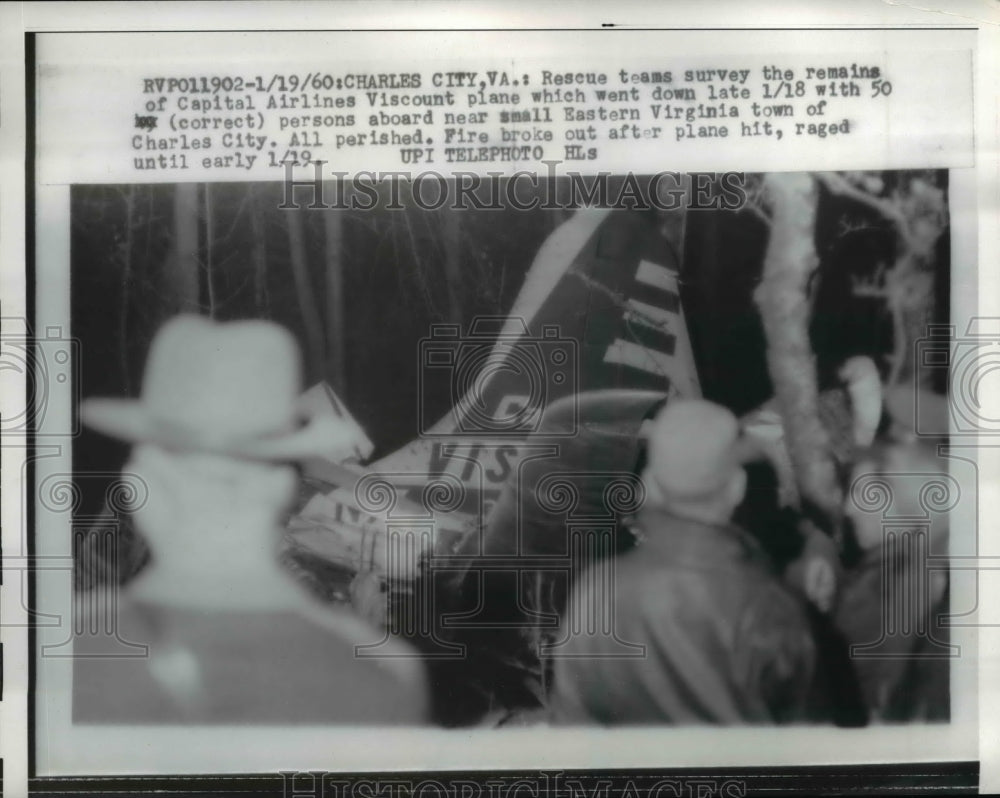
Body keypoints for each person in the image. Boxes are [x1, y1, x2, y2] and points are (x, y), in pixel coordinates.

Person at [72, 315, 428, 724]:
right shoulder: (385, 677)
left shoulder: (67, 658)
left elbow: (89, 580)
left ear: (140, 482)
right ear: (279, 489)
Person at [549, 399, 820, 725]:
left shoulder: (594, 592)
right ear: (736, 488)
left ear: (649, 485)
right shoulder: (768, 603)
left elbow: (572, 728)